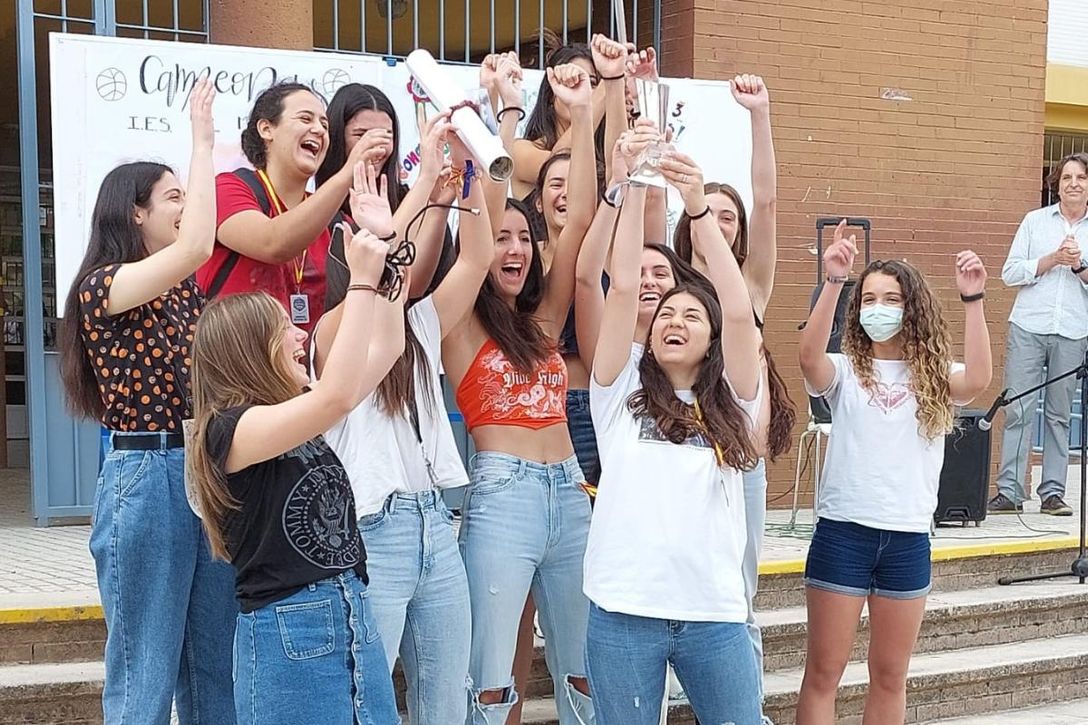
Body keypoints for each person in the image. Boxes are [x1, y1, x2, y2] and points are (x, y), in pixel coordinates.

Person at [186, 169, 405, 723]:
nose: (300, 335)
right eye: (285, 327)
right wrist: (357, 281)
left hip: (351, 610)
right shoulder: (226, 431)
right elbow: (335, 398)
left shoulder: (295, 412)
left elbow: (388, 345)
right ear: (248, 349)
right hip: (291, 626)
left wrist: (384, 250)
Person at [58, 79, 238, 724]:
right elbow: (197, 245)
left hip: (199, 471)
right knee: (144, 675)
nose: (186, 209)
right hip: (145, 475)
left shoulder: (187, 292)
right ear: (135, 212)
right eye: (174, 197)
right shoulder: (103, 286)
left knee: (215, 669)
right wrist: (203, 139)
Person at [582, 142, 765, 725]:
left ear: (712, 339)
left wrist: (697, 208)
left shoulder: (735, 401)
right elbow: (619, 286)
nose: (672, 320)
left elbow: (738, 310)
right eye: (664, 313)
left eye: (690, 315)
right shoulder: (617, 394)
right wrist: (633, 184)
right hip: (623, 610)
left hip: (712, 614)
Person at [314, 137, 494, 725]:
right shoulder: (327, 332)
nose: (400, 264)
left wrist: (470, 174)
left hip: (435, 522)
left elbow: (476, 258)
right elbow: (385, 271)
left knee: (445, 697)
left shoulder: (418, 320)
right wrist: (391, 223)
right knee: (367, 693)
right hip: (373, 527)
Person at [441, 62, 596, 725]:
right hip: (502, 496)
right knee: (489, 674)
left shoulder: (541, 322)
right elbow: (484, 220)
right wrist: (504, 111)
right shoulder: (460, 323)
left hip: (571, 490)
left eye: (524, 241)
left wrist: (585, 117)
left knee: (586, 670)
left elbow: (581, 220)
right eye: (502, 238)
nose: (515, 249)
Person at [796, 221, 992, 724]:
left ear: (914, 308)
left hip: (907, 539)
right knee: (824, 672)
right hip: (844, 533)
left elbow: (979, 379)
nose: (878, 308)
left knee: (889, 675)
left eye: (892, 298)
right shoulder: (844, 370)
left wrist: (974, 300)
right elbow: (808, 358)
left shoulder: (934, 376)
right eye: (870, 299)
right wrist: (835, 283)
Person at [668, 74, 795, 714]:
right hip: (670, 460)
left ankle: (745, 710)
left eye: (728, 216)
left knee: (738, 594)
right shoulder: (662, 292)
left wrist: (760, 117)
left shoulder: (751, 284)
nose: (716, 224)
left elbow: (768, 203)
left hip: (734, 460)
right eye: (705, 213)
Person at [198, 81, 374, 339]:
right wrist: (347, 173)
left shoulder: (336, 221)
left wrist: (428, 183)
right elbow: (273, 243)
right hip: (239, 371)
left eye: (325, 125)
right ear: (266, 128)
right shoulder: (228, 188)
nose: (319, 130)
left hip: (310, 373)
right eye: (305, 118)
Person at [990, 151, 1088, 516]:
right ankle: (1011, 491)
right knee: (1018, 407)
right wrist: (1051, 260)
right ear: (1057, 185)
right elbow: (1010, 273)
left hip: (1074, 330)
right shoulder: (1034, 222)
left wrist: (1078, 265)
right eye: (1066, 178)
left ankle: (1052, 493)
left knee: (1060, 415)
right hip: (1029, 326)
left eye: (1080, 178)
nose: (1073, 184)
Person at [316, 83, 455, 299]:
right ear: (336, 138)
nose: (377, 145)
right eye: (361, 135)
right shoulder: (319, 211)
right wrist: (426, 178)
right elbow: (381, 273)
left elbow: (412, 285)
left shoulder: (414, 199)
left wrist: (436, 201)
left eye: (386, 135)